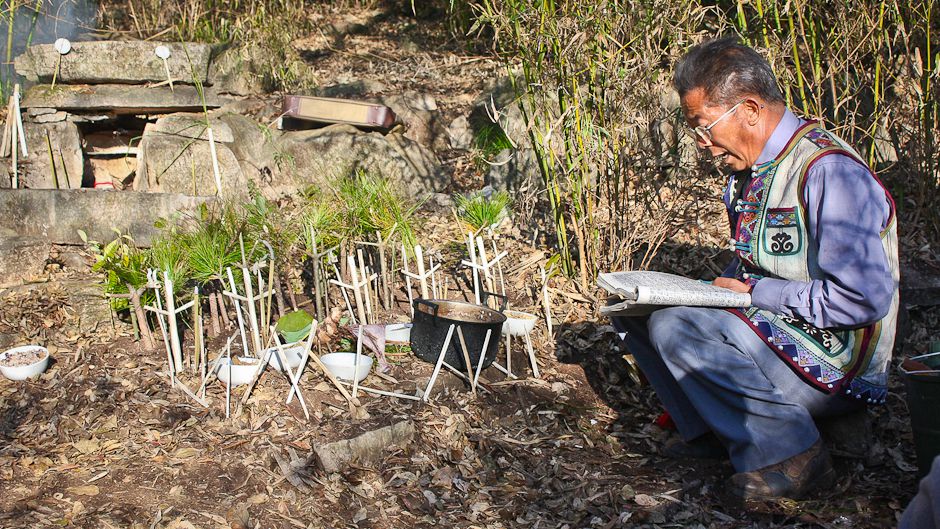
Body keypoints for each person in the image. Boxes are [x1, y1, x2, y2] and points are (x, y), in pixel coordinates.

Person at [612, 37, 899, 500]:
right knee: (635, 311)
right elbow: (756, 260)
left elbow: (862, 299)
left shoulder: (829, 171)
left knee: (678, 328)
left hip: (837, 359)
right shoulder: (749, 171)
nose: (704, 145)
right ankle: (717, 433)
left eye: (704, 128)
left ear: (748, 109)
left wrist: (754, 294)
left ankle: (795, 456)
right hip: (781, 329)